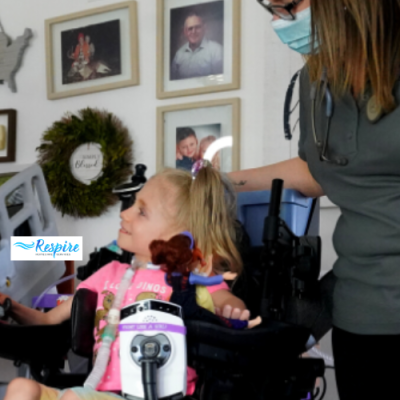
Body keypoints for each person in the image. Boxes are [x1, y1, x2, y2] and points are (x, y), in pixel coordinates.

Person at [229, 0, 400, 398]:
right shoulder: (315, 79)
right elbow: (320, 168)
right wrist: (218, 183)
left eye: (291, 6)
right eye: (271, 9)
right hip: (358, 317)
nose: (280, 22)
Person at [2, 164, 249, 400]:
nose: (124, 213)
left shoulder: (187, 281)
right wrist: (10, 305)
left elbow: (224, 299)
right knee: (21, 388)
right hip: (97, 392)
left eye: (141, 211)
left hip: (155, 394)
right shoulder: (109, 273)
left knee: (73, 397)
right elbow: (48, 319)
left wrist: (231, 307)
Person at [171, 12, 223, 80]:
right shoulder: (179, 54)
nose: (193, 32)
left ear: (204, 28)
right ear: (185, 32)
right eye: (190, 28)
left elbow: (221, 81)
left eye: (197, 27)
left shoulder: (217, 50)